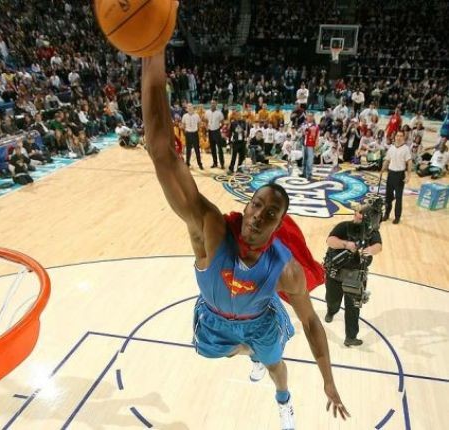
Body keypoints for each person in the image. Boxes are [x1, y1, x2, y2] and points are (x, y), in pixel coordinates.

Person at [141, 49, 350, 430]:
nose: (258, 215)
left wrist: (328, 381)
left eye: (270, 214)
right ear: (247, 205)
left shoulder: (286, 269)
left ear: (279, 224)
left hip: (259, 321)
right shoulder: (211, 229)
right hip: (215, 317)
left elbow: (311, 323)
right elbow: (161, 152)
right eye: (256, 205)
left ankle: (283, 400)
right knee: (218, 354)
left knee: (275, 366)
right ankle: (249, 351)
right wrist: (152, 59)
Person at [324, 204, 382, 346]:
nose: (357, 218)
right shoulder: (344, 226)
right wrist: (346, 244)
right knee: (332, 300)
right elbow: (330, 241)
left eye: (361, 217)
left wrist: (369, 250)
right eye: (357, 214)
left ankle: (351, 337)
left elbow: (378, 246)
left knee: (353, 308)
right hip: (335, 272)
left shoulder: (372, 232)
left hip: (355, 275)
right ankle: (331, 311)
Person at [381, 130, 412, 224]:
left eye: (401, 136)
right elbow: (387, 159)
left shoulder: (406, 149)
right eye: (397, 136)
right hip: (391, 174)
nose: (398, 137)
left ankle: (397, 217)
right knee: (388, 196)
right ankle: (386, 214)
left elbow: (409, 162)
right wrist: (382, 169)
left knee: (398, 197)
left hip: (399, 175)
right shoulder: (391, 148)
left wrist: (408, 175)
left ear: (403, 137)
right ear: (395, 137)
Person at [204, 100, 225, 169]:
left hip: (217, 131)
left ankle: (222, 163)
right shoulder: (207, 112)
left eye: (214, 103)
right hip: (210, 132)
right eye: (212, 103)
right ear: (210, 104)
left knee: (219, 148)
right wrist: (206, 127)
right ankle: (215, 163)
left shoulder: (219, 113)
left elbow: (222, 122)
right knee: (212, 148)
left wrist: (219, 128)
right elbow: (205, 120)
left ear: (216, 104)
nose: (213, 104)